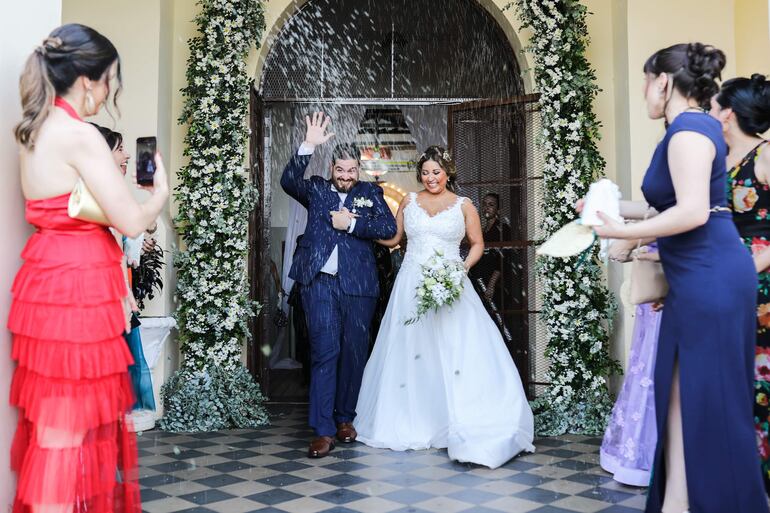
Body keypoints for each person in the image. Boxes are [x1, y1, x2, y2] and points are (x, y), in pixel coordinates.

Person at [586, 43, 768, 513]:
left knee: (709, 409)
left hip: (711, 278)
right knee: (680, 407)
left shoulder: (689, 128)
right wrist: (617, 225)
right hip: (697, 280)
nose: (645, 90)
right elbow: (674, 208)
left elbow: (690, 213)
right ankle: (678, 503)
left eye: (646, 80)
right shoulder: (691, 129)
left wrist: (622, 230)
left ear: (663, 82)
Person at [9, 24, 168, 513]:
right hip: (77, 288)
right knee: (68, 432)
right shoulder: (78, 135)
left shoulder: (34, 130)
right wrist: (158, 192)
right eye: (109, 80)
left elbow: (73, 207)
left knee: (57, 428)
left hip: (47, 280)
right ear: (86, 79)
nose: (110, 92)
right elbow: (130, 219)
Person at [353, 145, 535, 469]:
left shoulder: (464, 206)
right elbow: (395, 238)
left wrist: (461, 269)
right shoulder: (409, 201)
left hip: (452, 281)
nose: (430, 178)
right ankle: (416, 417)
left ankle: (465, 413)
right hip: (411, 284)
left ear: (447, 172)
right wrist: (359, 229)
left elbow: (477, 244)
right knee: (410, 349)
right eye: (425, 172)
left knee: (456, 347)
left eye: (436, 172)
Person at [279, 112, 397, 458]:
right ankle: (323, 429)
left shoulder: (371, 194)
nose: (345, 177)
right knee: (324, 352)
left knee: (354, 353)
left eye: (351, 171)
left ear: (358, 171)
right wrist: (308, 145)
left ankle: (346, 418)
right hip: (320, 284)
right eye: (340, 170)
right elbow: (288, 180)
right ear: (331, 168)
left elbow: (388, 229)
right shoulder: (315, 190)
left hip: (359, 286)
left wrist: (352, 224)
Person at [711, 73, 770, 493]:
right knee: (732, 384)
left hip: (761, 286)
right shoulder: (720, 160)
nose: (710, 113)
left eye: (714, 106)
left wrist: (750, 269)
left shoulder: (766, 157)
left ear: (728, 113)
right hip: (725, 286)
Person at [93, 124, 157, 413]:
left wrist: (136, 240)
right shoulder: (95, 190)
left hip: (118, 287)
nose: (128, 154)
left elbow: (135, 226)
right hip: (101, 290)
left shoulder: (110, 190)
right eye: (119, 149)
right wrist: (156, 193)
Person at [599, 242, 662, 487]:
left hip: (671, 265)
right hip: (652, 272)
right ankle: (639, 445)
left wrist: (630, 239)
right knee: (646, 360)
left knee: (658, 359)